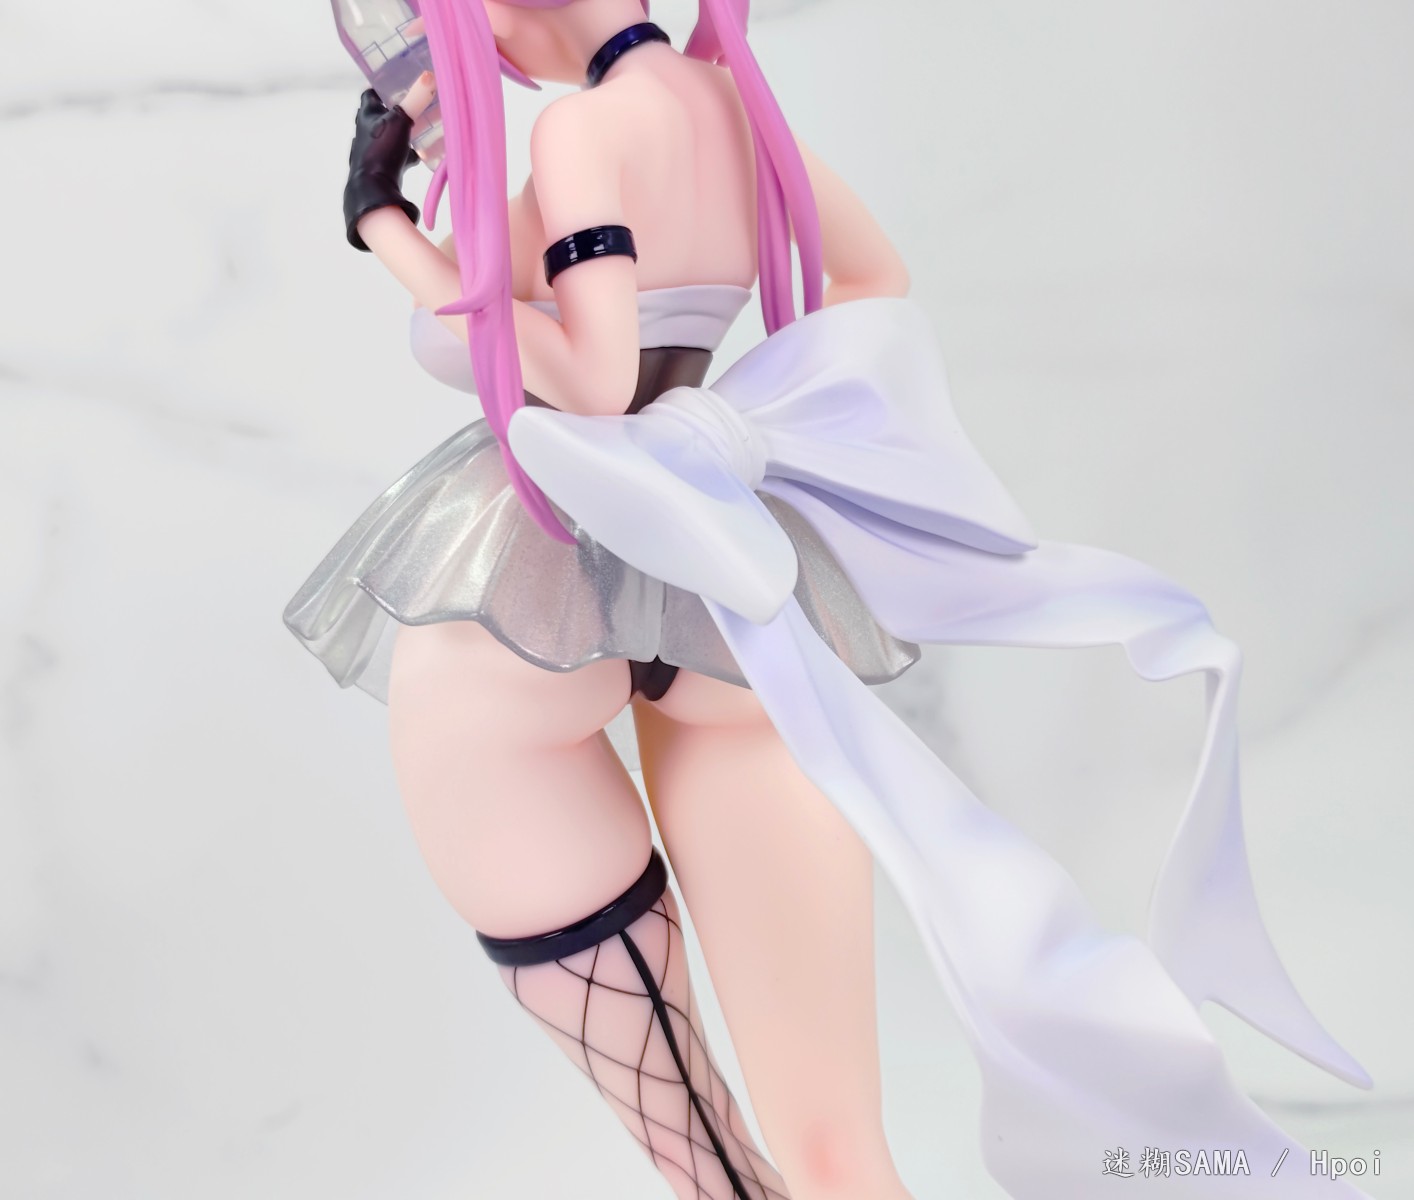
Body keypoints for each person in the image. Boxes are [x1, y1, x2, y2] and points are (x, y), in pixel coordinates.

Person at [284, 2, 1374, 1196]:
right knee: (838, 1150)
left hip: (535, 583)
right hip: (726, 582)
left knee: (710, 1160)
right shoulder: (730, 108)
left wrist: (385, 226)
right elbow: (875, 279)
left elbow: (586, 381)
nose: (485, 51)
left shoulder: (578, 134)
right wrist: (730, 430)